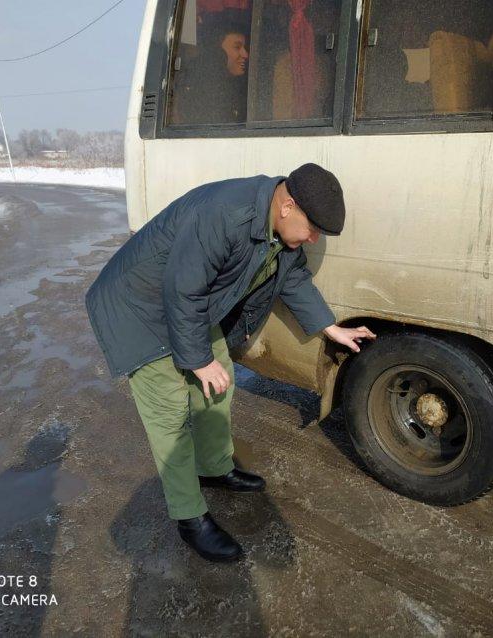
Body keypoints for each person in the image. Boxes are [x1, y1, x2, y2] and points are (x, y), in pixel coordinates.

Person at [85, 164, 377, 562]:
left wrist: (330, 328)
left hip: (189, 308)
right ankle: (190, 517)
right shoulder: (224, 215)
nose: (314, 238)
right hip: (140, 309)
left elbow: (291, 278)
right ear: (288, 205)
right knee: (170, 416)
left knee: (220, 385)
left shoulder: (277, 223)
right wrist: (196, 360)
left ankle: (214, 467)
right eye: (313, 230)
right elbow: (182, 290)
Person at [174, 16, 250, 124]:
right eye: (237, 47)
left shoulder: (242, 87)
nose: (245, 54)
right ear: (217, 51)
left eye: (245, 48)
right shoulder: (201, 92)